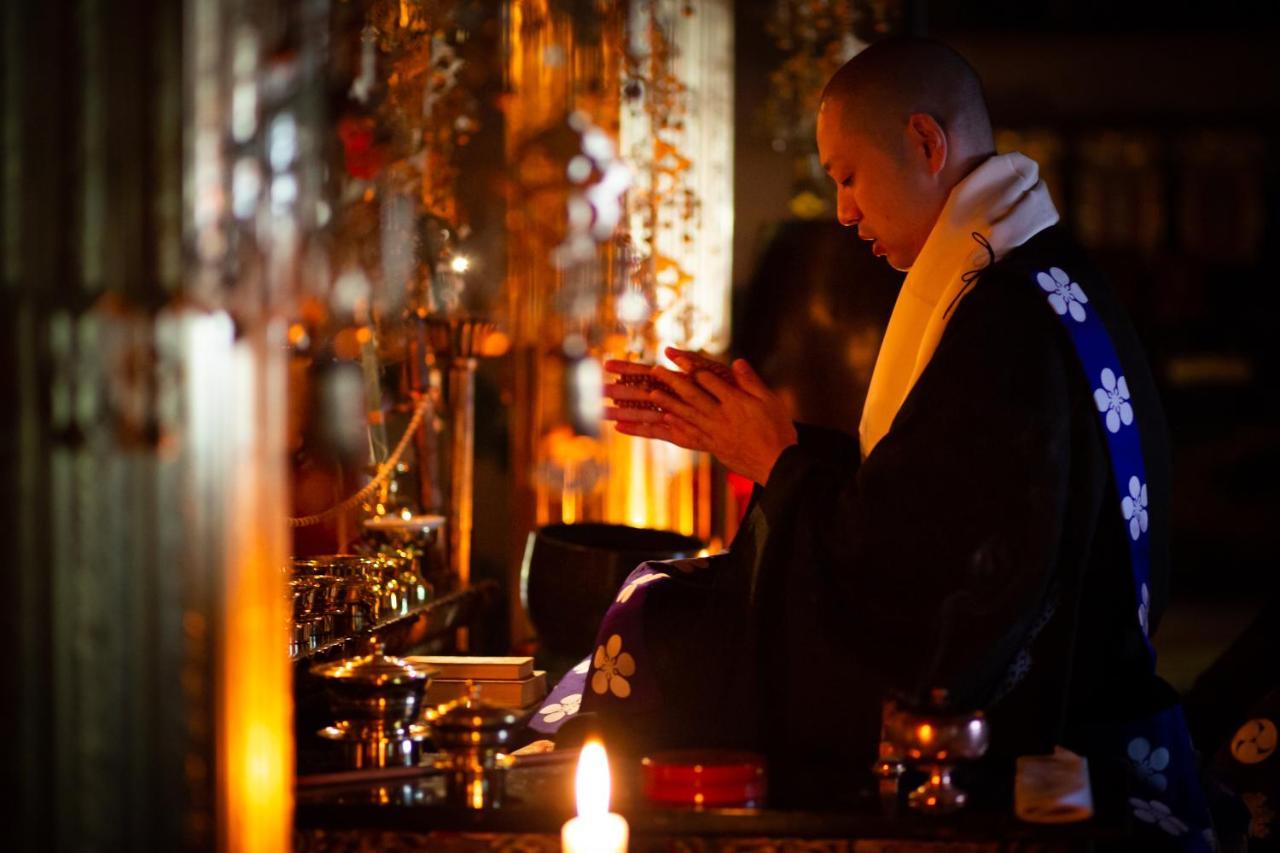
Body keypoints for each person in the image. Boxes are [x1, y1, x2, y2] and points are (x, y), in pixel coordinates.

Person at [549, 37, 1212, 847]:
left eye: (848, 176)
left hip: (1046, 730)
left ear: (927, 144)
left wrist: (782, 465)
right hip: (1094, 688)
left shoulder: (1003, 316)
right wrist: (784, 445)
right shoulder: (1041, 272)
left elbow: (924, 583)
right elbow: (947, 493)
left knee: (655, 617)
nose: (844, 212)